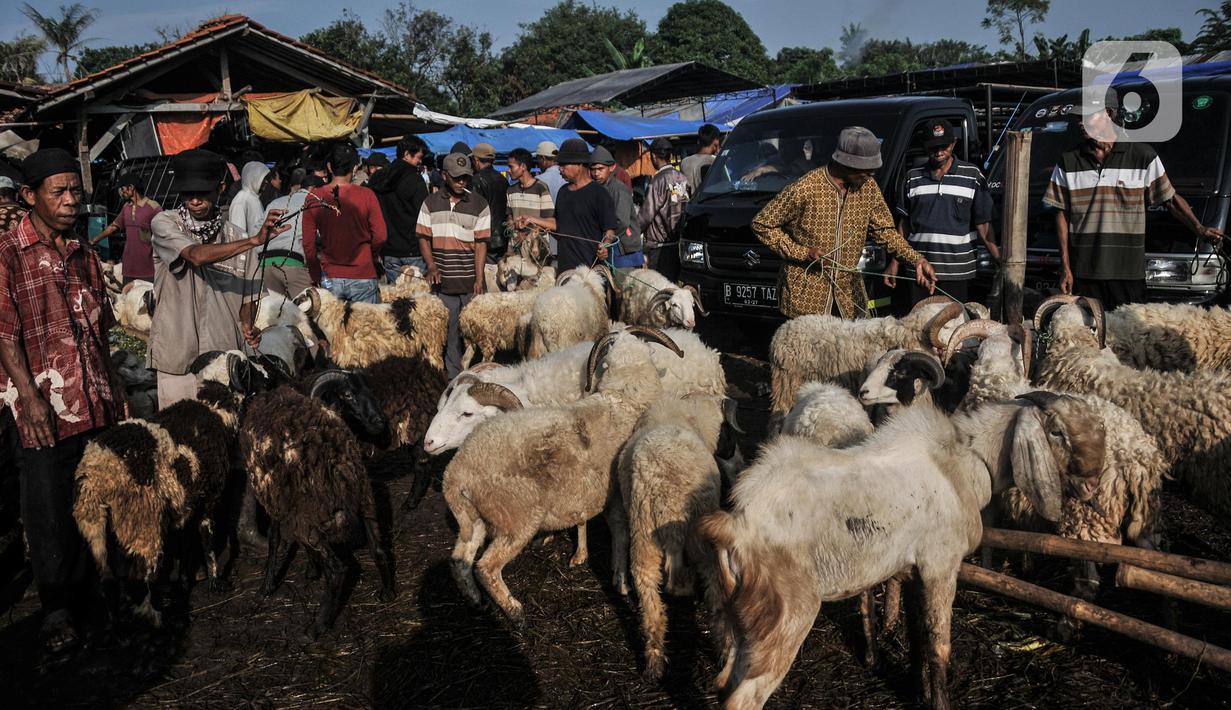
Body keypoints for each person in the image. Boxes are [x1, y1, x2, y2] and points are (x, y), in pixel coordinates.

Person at [0, 149, 126, 658]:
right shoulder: (9, 252)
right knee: (48, 508)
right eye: (60, 192)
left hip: (92, 398)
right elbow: (3, 335)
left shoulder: (83, 252)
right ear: (29, 196)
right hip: (43, 407)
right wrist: (30, 399)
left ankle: (96, 593)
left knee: (93, 499)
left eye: (76, 190)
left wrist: (115, 388)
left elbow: (100, 330)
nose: (72, 200)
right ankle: (55, 609)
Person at [1044, 92, 1222, 310]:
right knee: (1087, 330)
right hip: (1084, 273)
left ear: (1108, 114)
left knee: (1128, 330)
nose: (1080, 122)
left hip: (1127, 272)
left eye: (1087, 116)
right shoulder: (1069, 161)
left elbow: (1170, 200)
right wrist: (1065, 267)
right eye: (1079, 117)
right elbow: (1061, 213)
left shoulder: (1142, 156)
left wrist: (1200, 229)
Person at [149, 149, 286, 409]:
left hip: (223, 361)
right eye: (188, 194)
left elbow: (248, 295)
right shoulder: (165, 224)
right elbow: (195, 255)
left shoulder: (236, 237)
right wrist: (255, 240)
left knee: (224, 425)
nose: (195, 201)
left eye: (202, 193)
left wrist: (248, 325)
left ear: (220, 188)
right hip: (177, 354)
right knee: (178, 427)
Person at [753, 126, 937, 318]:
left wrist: (916, 259)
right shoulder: (805, 188)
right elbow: (762, 224)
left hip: (849, 297)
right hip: (806, 298)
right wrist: (803, 253)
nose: (870, 177)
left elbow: (885, 232)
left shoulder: (868, 188)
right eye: (866, 172)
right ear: (847, 164)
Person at [885, 119, 998, 305]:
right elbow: (904, 225)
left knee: (955, 320)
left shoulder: (973, 176)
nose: (938, 152)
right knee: (920, 320)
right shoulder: (912, 177)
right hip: (919, 270)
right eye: (933, 147)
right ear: (925, 146)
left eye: (943, 146)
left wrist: (1000, 260)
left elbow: (984, 225)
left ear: (953, 144)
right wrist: (894, 263)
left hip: (958, 271)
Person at [416, 152, 489, 378]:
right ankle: (453, 378)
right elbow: (423, 237)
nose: (461, 182)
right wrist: (431, 266)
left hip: (470, 282)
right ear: (444, 175)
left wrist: (479, 279)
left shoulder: (479, 204)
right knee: (449, 335)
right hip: (443, 283)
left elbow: (481, 244)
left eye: (465, 177)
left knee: (475, 335)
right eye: (456, 177)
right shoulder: (430, 203)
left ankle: (475, 377)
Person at [302, 143, 388, 303]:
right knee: (365, 320)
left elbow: (308, 244)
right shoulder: (367, 195)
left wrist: (315, 274)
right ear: (355, 167)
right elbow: (381, 236)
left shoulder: (314, 197)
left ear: (329, 166)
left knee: (332, 320)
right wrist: (370, 254)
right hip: (363, 273)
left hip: (330, 276)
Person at [553, 138, 619, 273]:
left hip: (591, 270)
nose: (560, 169)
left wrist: (605, 245)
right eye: (560, 165)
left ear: (579, 164)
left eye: (564, 164)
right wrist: (532, 220)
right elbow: (558, 225)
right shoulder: (563, 192)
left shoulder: (599, 193)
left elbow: (610, 230)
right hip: (565, 269)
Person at [369, 136, 430, 281]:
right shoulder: (415, 180)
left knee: (395, 293)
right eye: (418, 157)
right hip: (413, 250)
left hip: (388, 250)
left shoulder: (378, 178)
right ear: (407, 154)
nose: (420, 162)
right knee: (417, 294)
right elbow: (424, 216)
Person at [89, 173, 161, 284]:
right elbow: (113, 227)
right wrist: (94, 240)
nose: (121, 193)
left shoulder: (153, 207)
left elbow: (165, 232)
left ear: (131, 188)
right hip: (128, 269)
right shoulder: (126, 208)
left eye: (122, 189)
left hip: (148, 269)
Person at [638, 138, 690, 280]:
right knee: (673, 284)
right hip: (679, 242)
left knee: (660, 287)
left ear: (654, 156)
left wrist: (632, 233)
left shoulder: (657, 181)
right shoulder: (683, 178)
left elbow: (646, 215)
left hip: (660, 247)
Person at [260, 167, 313, 298]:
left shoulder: (275, 202)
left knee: (276, 309)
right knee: (308, 307)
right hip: (292, 262)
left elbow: (259, 229)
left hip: (264, 263)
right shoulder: (313, 202)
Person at [590, 146, 643, 267]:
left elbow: (621, 221)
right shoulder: (598, 188)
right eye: (593, 169)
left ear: (612, 167)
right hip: (609, 246)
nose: (596, 173)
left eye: (600, 169)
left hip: (624, 249)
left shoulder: (618, 189)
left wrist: (605, 240)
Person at [506, 147, 556, 253]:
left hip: (536, 250)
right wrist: (512, 224)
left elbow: (549, 221)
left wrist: (527, 234)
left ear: (523, 166)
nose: (508, 170)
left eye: (511, 167)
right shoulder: (511, 190)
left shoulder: (540, 188)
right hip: (515, 249)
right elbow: (509, 218)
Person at [469, 143, 509, 260]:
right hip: (502, 237)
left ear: (476, 160)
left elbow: (473, 211)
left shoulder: (475, 180)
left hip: (484, 238)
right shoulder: (503, 179)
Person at [228, 160, 270, 238]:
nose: (266, 182)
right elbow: (238, 234)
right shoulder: (241, 200)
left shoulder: (254, 198)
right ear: (254, 178)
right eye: (263, 178)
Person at [680, 123, 723, 196]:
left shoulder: (685, 162)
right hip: (709, 201)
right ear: (715, 141)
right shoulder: (715, 161)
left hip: (691, 202)